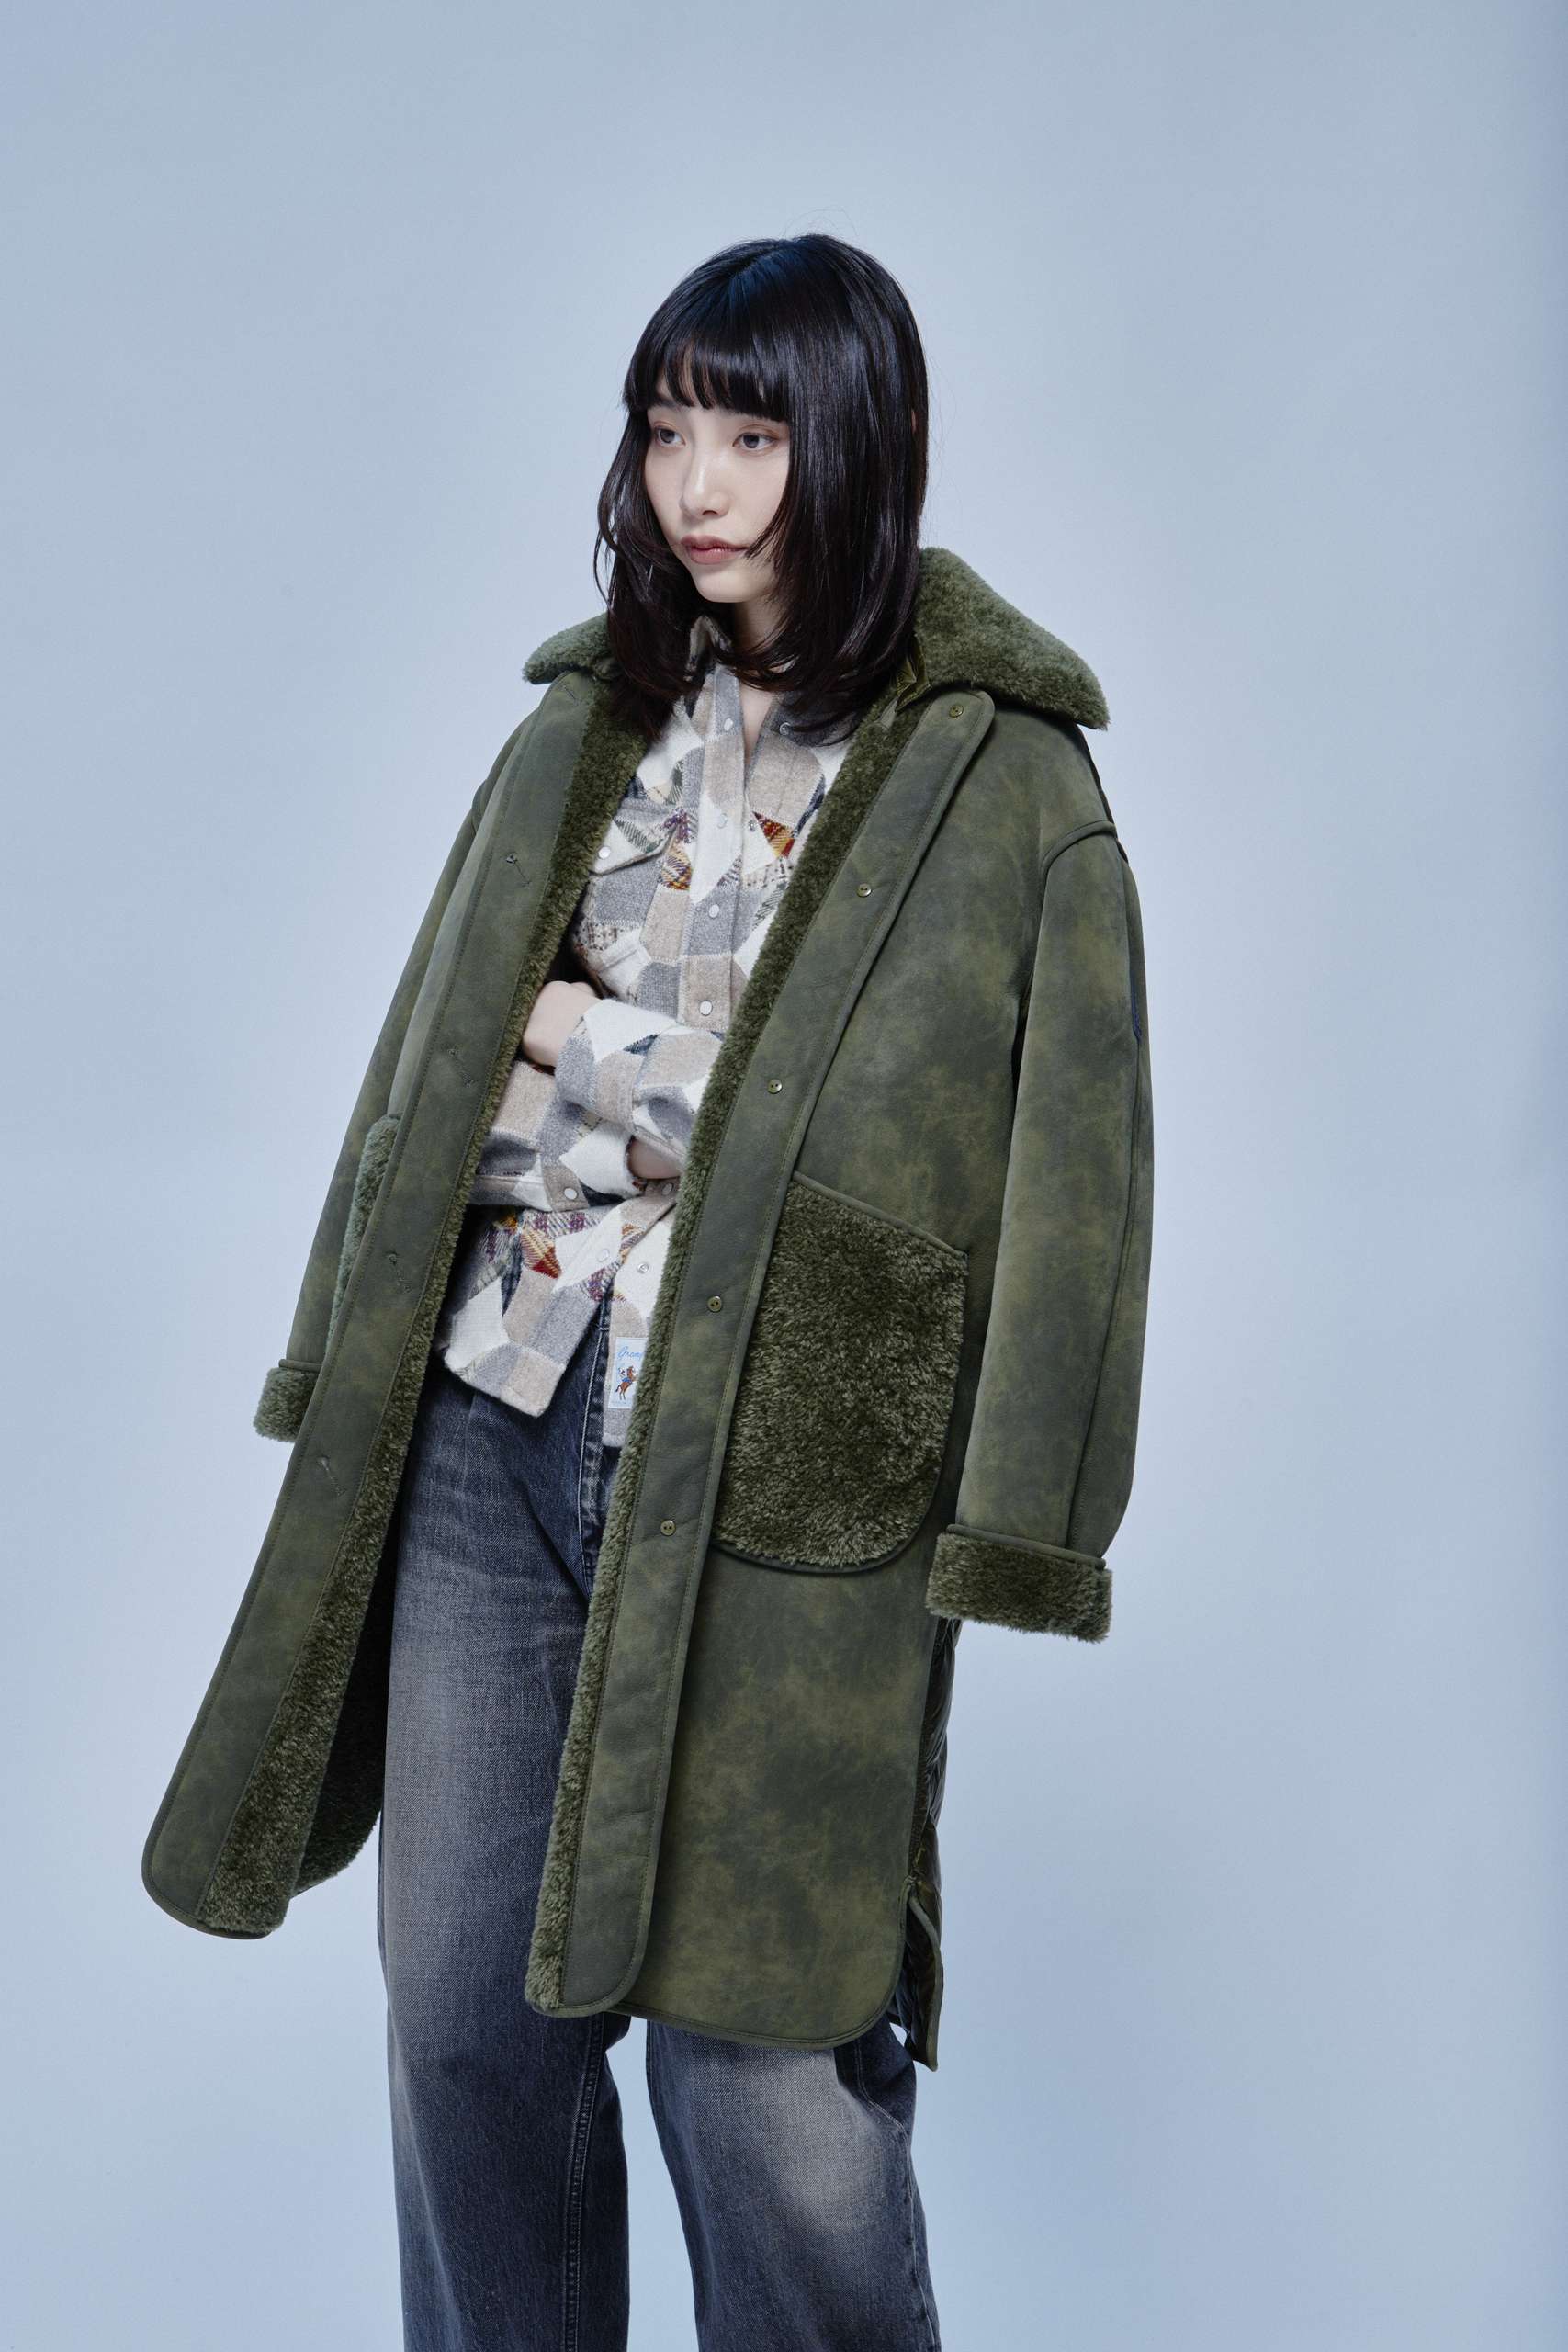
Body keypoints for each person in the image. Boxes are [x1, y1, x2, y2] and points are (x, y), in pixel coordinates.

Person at [143, 232, 1154, 2352]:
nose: (696, 481)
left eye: (751, 433)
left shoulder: (1005, 781)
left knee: (762, 2072)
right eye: (666, 424)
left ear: (854, 441)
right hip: (490, 1416)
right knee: (461, 2033)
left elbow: (1056, 1171)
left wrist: (578, 1043)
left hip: (776, 1472)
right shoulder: (581, 720)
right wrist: (383, 1289)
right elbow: (436, 1056)